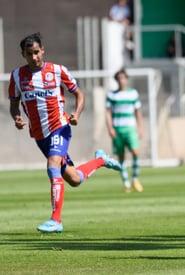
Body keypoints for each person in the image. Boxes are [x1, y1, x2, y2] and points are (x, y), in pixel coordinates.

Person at [8, 32, 122, 233]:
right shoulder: (17, 76)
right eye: (29, 54)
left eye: (36, 52)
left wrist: (76, 114)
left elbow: (79, 94)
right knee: (74, 179)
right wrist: (16, 117)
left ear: (42, 50)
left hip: (59, 127)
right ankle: (101, 160)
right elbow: (14, 104)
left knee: (52, 165)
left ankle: (56, 220)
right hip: (39, 135)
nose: (34, 57)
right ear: (22, 54)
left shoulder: (58, 71)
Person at [105, 68, 144, 193]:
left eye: (123, 78)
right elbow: (108, 113)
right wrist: (110, 128)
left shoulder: (133, 93)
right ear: (117, 80)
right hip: (117, 129)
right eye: (119, 78)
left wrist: (140, 127)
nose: (122, 80)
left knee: (135, 152)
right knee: (121, 156)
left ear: (127, 79)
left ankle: (135, 179)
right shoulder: (111, 95)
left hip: (130, 128)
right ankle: (126, 182)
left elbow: (138, 112)